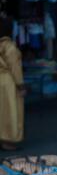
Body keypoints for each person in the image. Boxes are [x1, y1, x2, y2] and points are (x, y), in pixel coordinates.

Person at [0, 17, 26, 151]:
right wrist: (21, 85)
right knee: (10, 112)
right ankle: (8, 140)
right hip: (8, 83)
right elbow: (15, 68)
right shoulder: (9, 46)